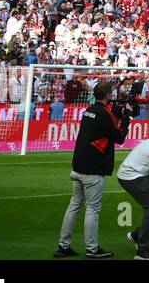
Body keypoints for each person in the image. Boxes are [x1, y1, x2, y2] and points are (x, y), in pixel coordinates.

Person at [55, 81, 128, 257]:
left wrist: (117, 114)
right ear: (108, 95)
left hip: (79, 164)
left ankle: (63, 246)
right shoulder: (104, 114)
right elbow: (119, 138)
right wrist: (125, 120)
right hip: (94, 168)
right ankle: (92, 248)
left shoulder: (88, 111)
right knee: (93, 209)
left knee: (74, 206)